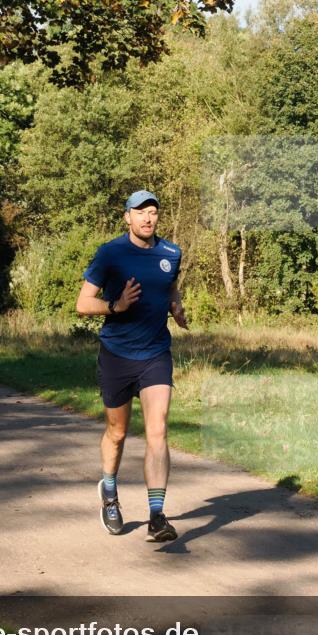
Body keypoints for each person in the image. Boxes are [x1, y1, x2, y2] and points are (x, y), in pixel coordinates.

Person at [76, 190, 188, 542]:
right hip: (117, 355)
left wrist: (177, 308)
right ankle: (109, 491)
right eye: (140, 212)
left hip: (156, 353)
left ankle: (157, 516)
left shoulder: (171, 252)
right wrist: (116, 306)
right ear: (127, 217)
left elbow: (169, 287)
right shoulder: (111, 253)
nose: (147, 218)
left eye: (153, 211)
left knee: (158, 430)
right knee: (118, 433)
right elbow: (83, 304)